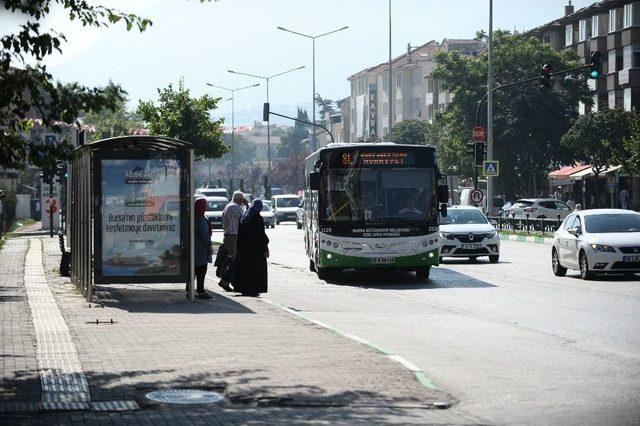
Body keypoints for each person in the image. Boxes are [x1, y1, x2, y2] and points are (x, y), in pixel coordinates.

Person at [234, 199, 269, 297]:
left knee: (245, 269)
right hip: (255, 250)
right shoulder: (257, 218)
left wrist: (238, 247)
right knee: (255, 270)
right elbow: (261, 235)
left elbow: (239, 234)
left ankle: (244, 289)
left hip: (244, 249)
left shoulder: (245, 217)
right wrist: (265, 249)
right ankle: (253, 289)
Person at [219, 191, 245, 291]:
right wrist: (246, 205)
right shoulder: (234, 207)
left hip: (229, 235)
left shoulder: (229, 206)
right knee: (233, 259)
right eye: (242, 199)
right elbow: (245, 216)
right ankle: (225, 278)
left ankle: (230, 280)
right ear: (240, 199)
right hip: (232, 236)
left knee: (232, 258)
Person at [193, 198, 213, 299]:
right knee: (201, 272)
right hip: (200, 250)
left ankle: (190, 290)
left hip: (195, 249)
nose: (206, 206)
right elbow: (205, 235)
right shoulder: (200, 220)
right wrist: (209, 246)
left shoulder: (193, 217)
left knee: (193, 272)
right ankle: (200, 291)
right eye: (205, 205)